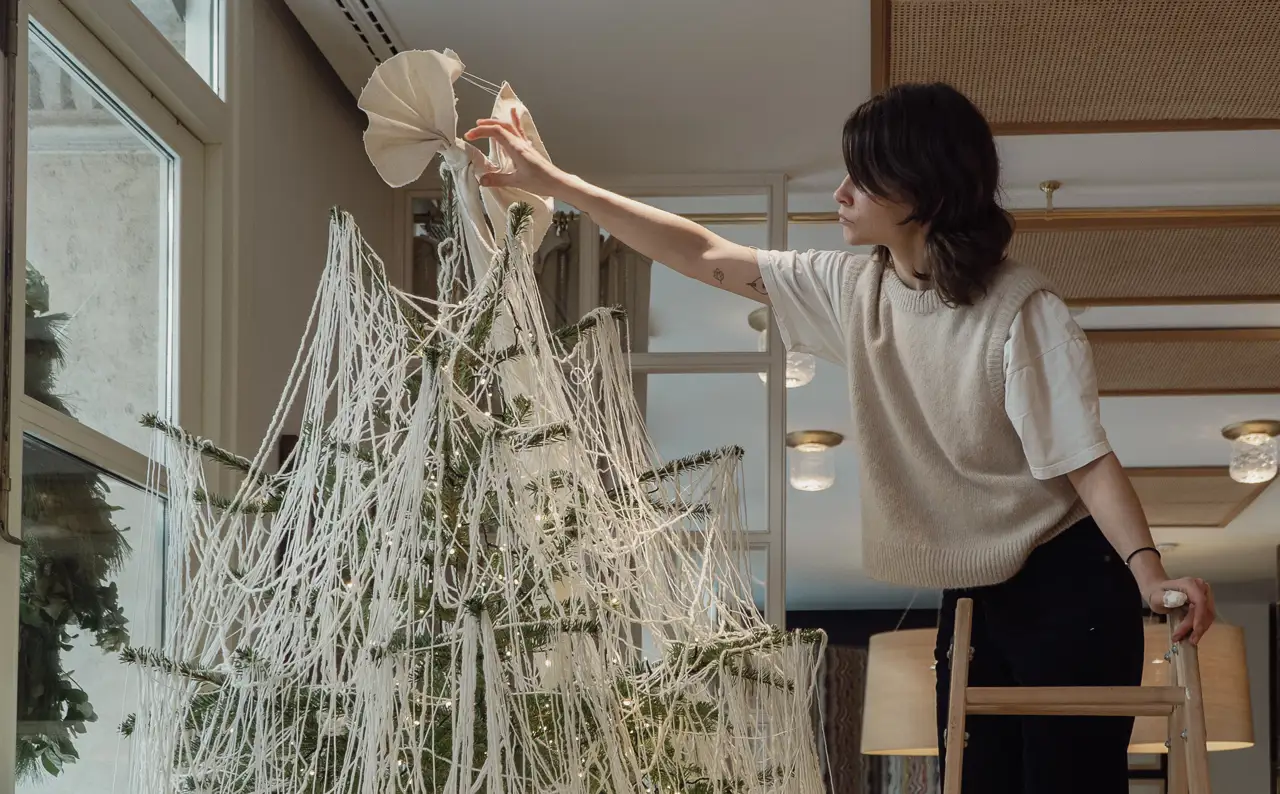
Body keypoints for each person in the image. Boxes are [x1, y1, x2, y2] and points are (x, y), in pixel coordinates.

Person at [464, 82, 1215, 793]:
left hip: (1069, 582)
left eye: (863, 178)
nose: (841, 193)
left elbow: (1085, 459)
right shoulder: (857, 289)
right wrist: (558, 182)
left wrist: (1149, 575)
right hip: (974, 591)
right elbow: (702, 254)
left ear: (923, 196)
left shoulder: (1022, 313)